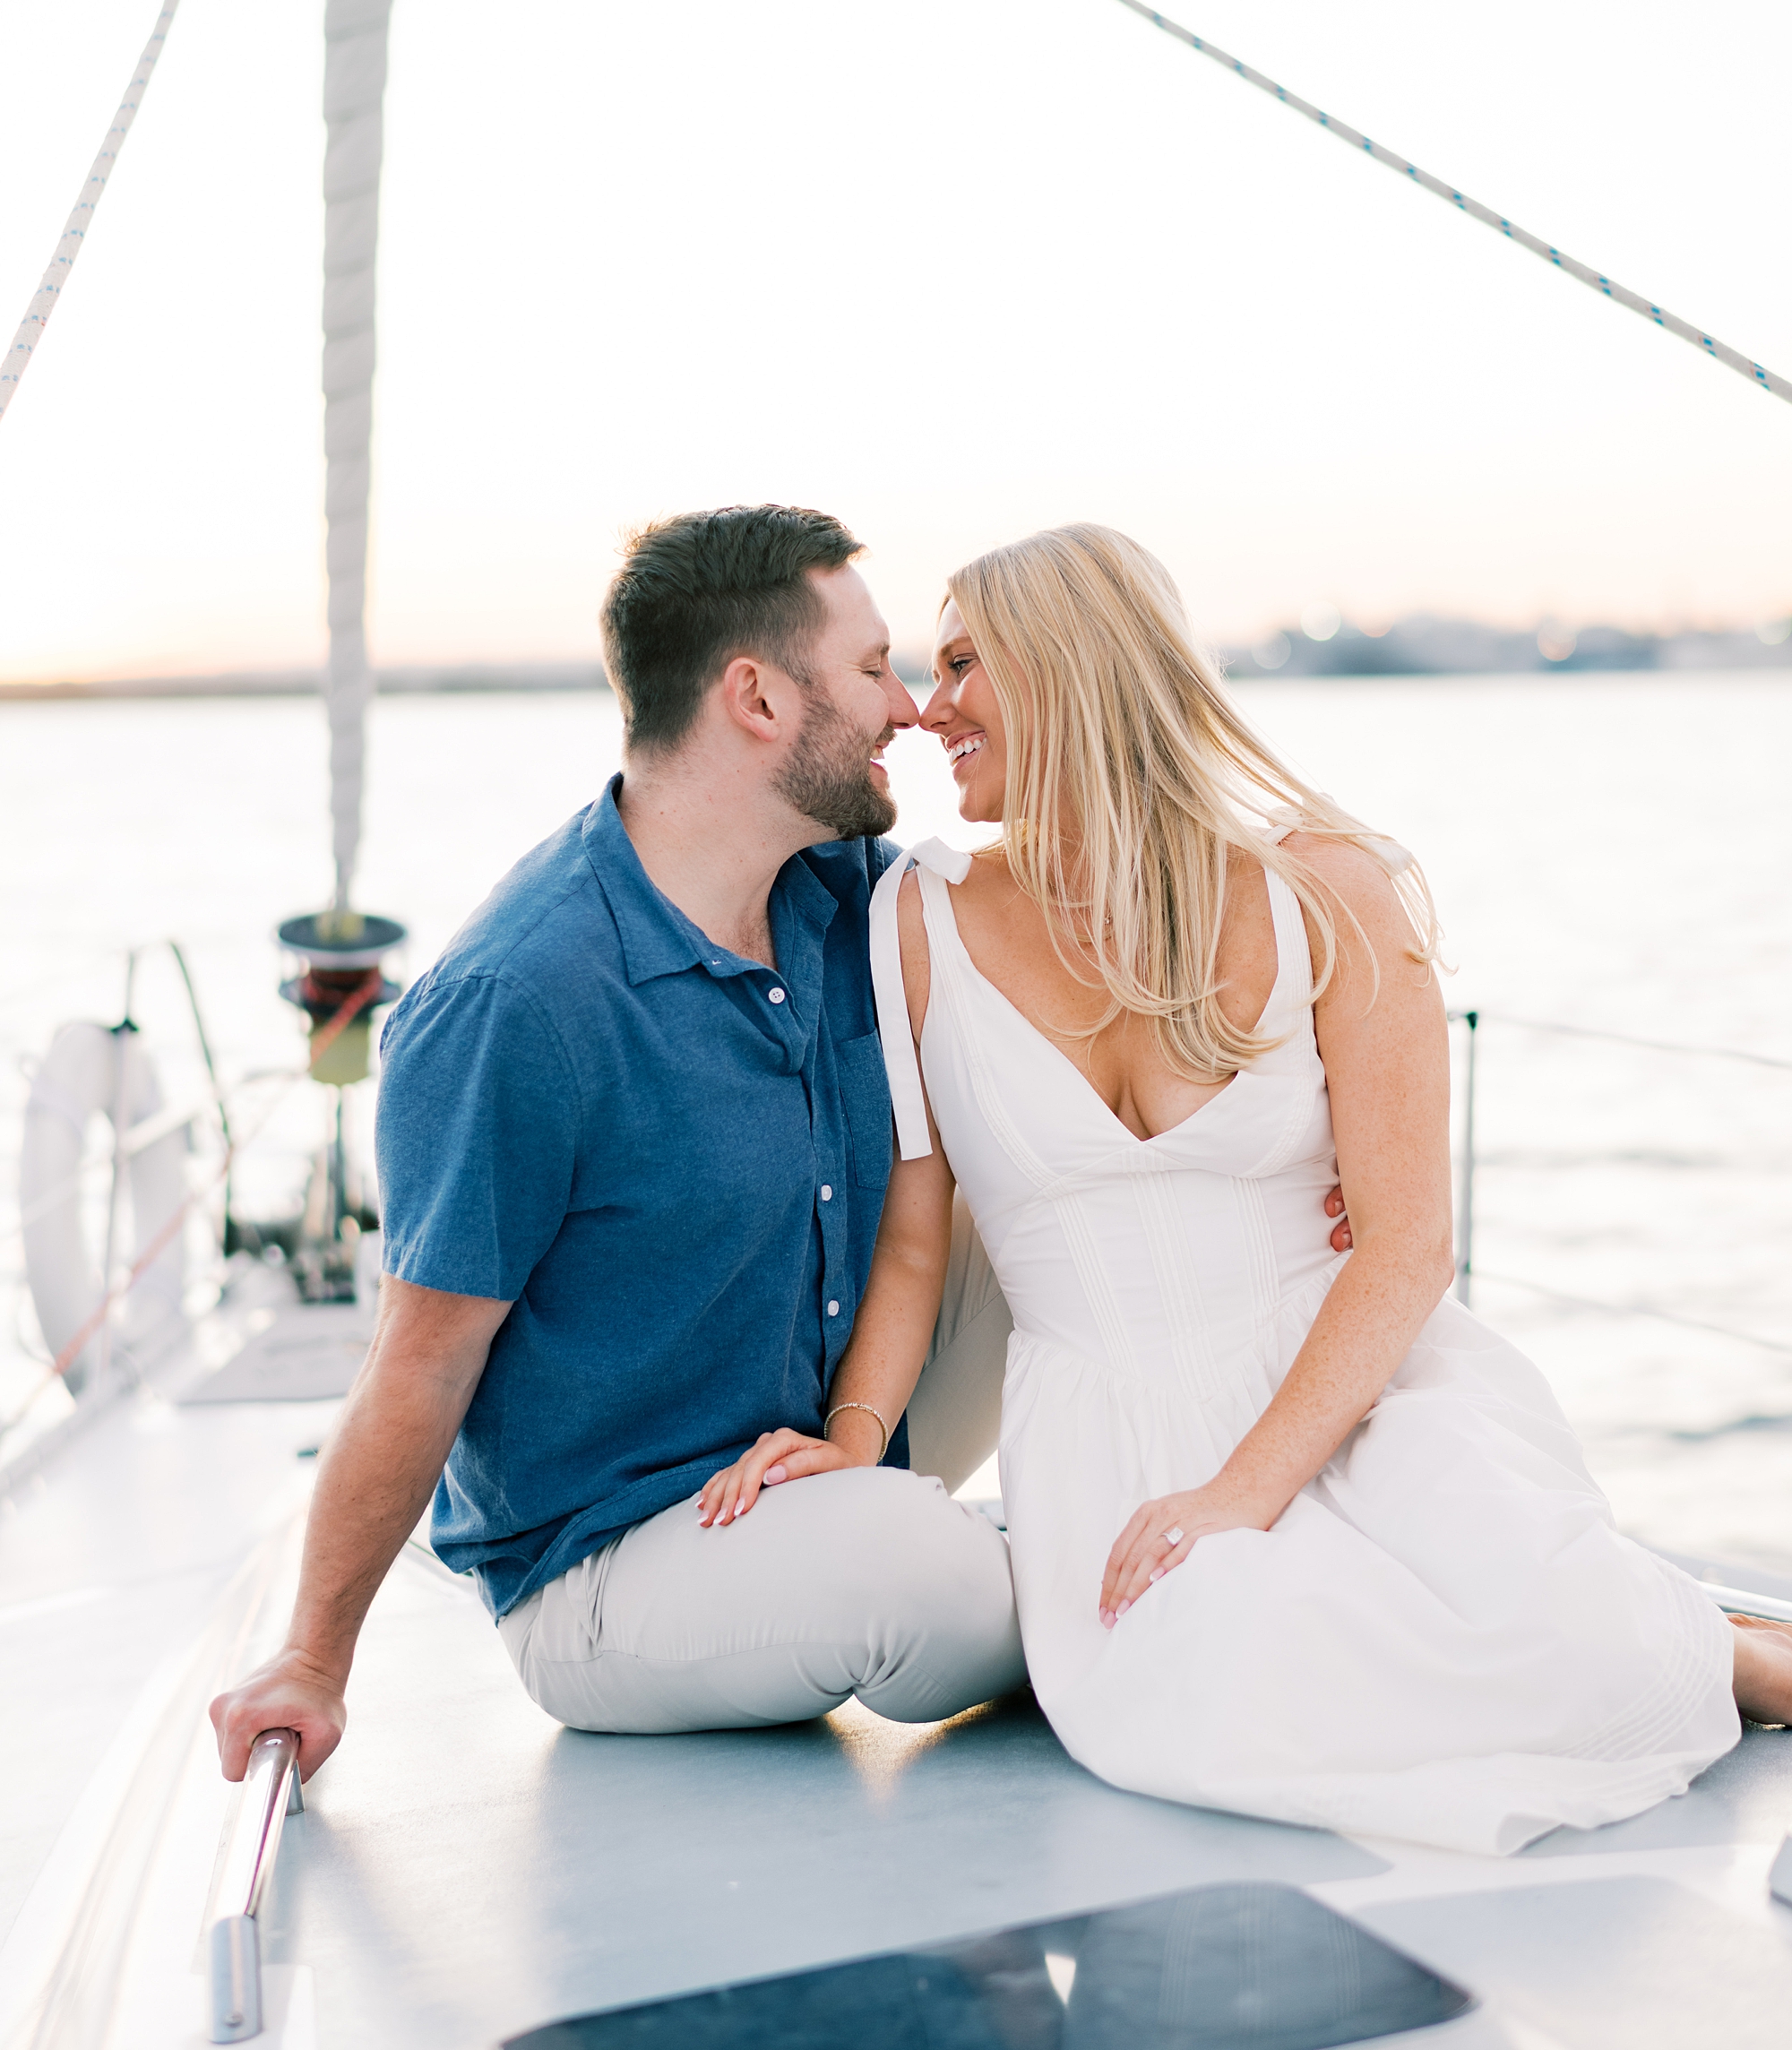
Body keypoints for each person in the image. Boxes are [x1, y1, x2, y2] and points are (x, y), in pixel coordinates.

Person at [697, 521, 1791, 1857]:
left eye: (966, 663)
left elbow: (1406, 1248)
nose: (927, 711)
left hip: (1354, 1394)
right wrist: (856, 1444)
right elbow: (916, 1248)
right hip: (1109, 1430)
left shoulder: (1329, 887)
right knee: (1226, 1697)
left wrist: (1241, 1493)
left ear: (1076, 666)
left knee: (1576, 1661)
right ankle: (1700, 1635)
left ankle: (1721, 1652)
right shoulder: (910, 922)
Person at [211, 504, 1030, 1779]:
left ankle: (1180, 1516)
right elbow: (421, 1361)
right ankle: (1113, 1578)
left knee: (1072, 1202)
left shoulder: (847, 896)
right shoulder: (517, 1002)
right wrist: (312, 1660)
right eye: (874, 669)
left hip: (833, 1436)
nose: (909, 710)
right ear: (757, 698)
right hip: (614, 1563)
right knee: (925, 1575)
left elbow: (1087, 945)